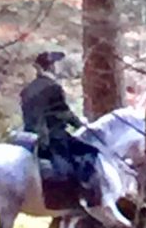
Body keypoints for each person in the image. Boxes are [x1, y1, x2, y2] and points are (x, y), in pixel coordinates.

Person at [19, 51, 100, 194]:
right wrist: (81, 125)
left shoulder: (27, 90)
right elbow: (63, 112)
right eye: (56, 64)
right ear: (51, 66)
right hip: (51, 136)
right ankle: (80, 193)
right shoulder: (53, 87)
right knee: (89, 152)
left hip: (29, 135)